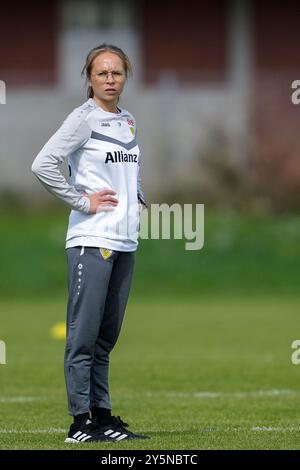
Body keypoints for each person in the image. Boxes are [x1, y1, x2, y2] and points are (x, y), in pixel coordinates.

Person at [31, 44, 149, 443]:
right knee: (83, 336)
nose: (110, 80)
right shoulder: (81, 119)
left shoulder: (129, 120)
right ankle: (79, 421)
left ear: (125, 76)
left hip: (125, 241)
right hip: (90, 240)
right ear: (89, 78)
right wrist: (82, 201)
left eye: (117, 73)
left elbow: (129, 169)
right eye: (102, 73)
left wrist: (138, 197)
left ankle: (103, 416)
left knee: (106, 337)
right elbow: (43, 164)